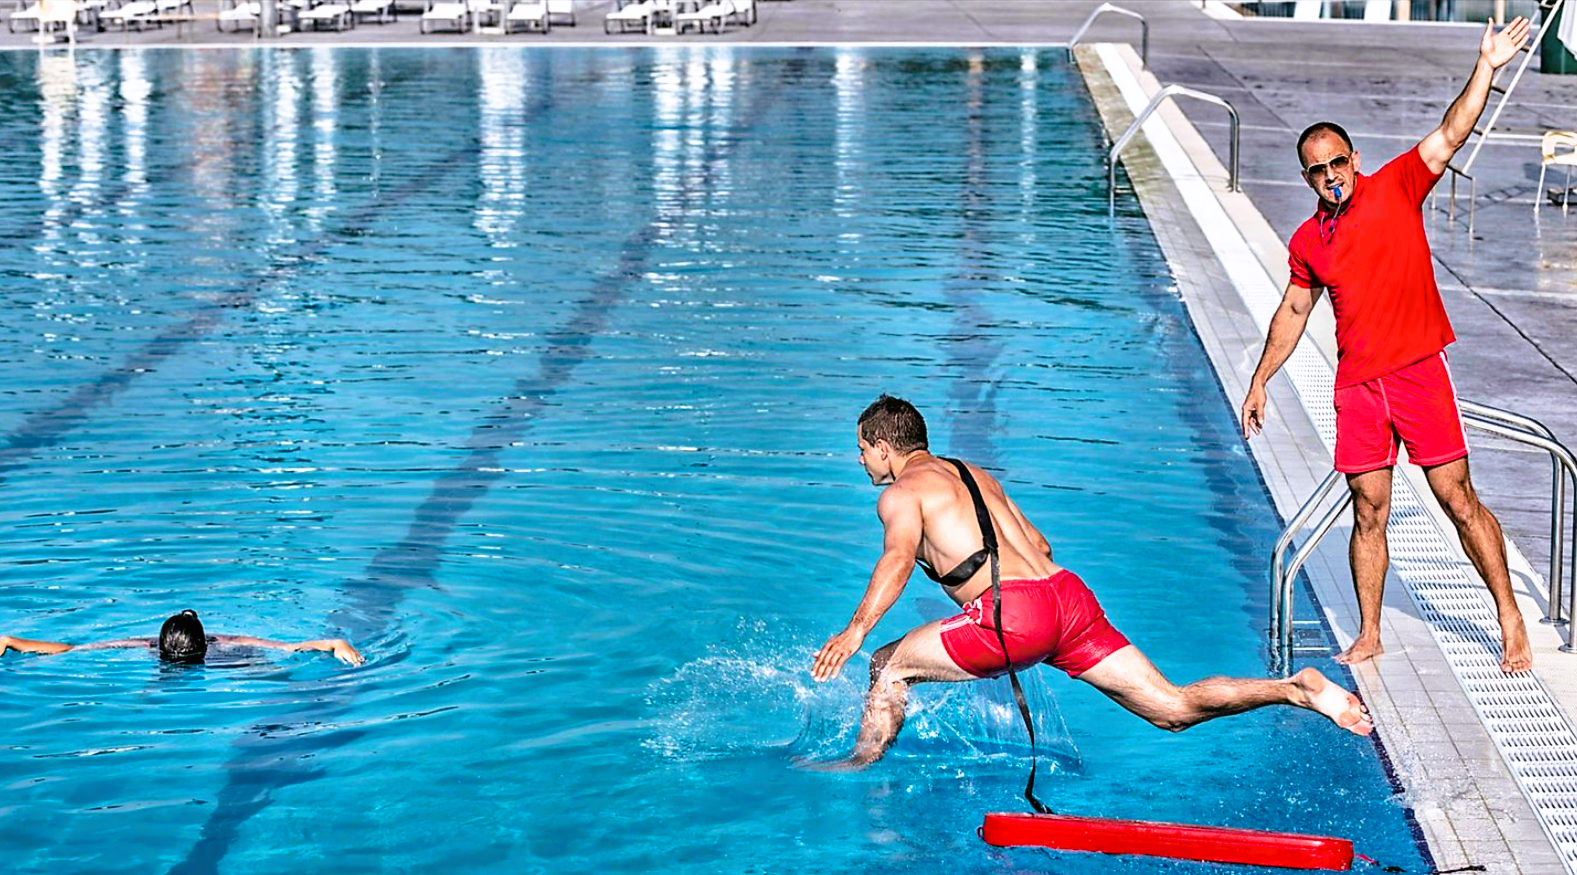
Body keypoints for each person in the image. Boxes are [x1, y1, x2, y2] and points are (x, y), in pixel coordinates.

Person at [807, 395, 1371, 770]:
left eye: (862, 450)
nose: (861, 462)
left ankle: (856, 771)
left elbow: (898, 558)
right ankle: (1294, 688)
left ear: (884, 446)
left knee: (886, 663)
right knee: (1171, 708)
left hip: (1016, 615)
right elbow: (1042, 546)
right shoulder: (975, 474)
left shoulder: (901, 492)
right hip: (1068, 599)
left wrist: (856, 630)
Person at [1239, 17, 1534, 674]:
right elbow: (1292, 310)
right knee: (1367, 509)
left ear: (1354, 160)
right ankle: (1369, 629)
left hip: (1417, 370)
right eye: (1315, 171)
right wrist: (1261, 377)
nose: (1329, 176)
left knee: (1456, 497)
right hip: (1357, 385)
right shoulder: (1307, 241)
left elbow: (1452, 128)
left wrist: (1485, 64)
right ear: (1306, 177)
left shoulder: (1399, 184)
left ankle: (1507, 613)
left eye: (1336, 163)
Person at [0, 609, 365, 665]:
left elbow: (70, 649)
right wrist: (336, 643)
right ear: (206, 640)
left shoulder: (141, 645)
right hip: (223, 667)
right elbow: (292, 647)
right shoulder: (228, 642)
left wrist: (13, 640)